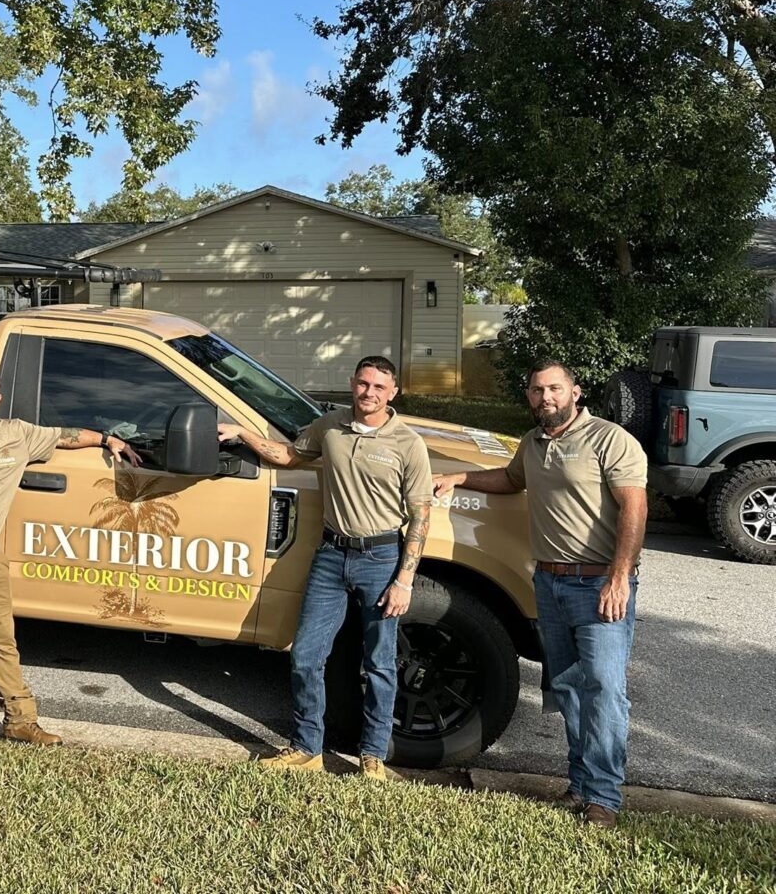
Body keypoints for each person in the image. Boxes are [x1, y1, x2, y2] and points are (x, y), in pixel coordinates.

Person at [433, 359, 646, 828]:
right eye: (536, 390)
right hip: (549, 582)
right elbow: (510, 480)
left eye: (553, 388)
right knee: (567, 685)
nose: (544, 397)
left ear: (575, 391)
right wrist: (461, 477)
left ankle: (604, 799)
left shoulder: (609, 440)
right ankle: (581, 782)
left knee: (605, 689)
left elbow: (635, 508)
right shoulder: (533, 443)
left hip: (599, 584)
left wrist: (619, 576)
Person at [219, 355, 432, 780]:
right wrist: (243, 432)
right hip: (331, 556)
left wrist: (404, 580)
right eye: (363, 383)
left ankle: (372, 756)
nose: (368, 393)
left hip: (382, 559)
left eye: (379, 387)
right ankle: (306, 748)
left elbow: (421, 514)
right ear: (352, 383)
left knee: (379, 663)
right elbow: (287, 455)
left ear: (393, 393)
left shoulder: (408, 444)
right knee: (305, 656)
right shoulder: (330, 426)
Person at [0, 364, 141, 744]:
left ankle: (20, 720)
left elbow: (65, 436)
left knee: (2, 641)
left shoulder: (15, 433)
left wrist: (107, 440)